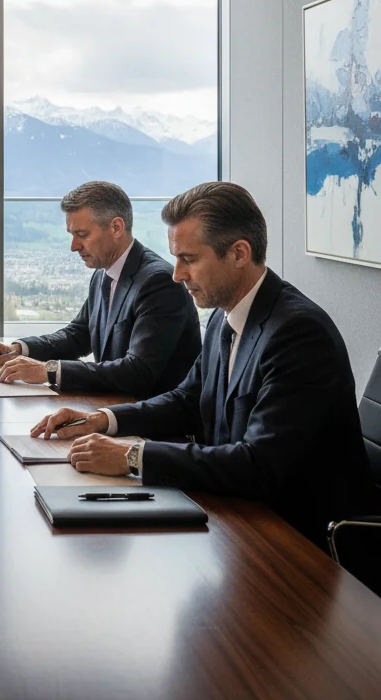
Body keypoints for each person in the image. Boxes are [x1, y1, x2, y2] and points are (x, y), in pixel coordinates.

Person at [33, 181, 378, 548]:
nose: (177, 274)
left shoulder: (298, 334)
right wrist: (106, 419)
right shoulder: (224, 315)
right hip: (239, 516)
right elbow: (188, 399)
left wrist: (133, 456)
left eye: (189, 259)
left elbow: (259, 465)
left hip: (301, 539)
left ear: (239, 253)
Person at [0, 181, 200, 398]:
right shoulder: (104, 272)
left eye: (82, 235)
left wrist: (49, 370)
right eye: (72, 235)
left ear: (116, 227)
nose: (74, 246)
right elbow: (78, 335)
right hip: (113, 407)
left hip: (153, 424)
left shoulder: (158, 281)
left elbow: (138, 371)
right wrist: (20, 349)